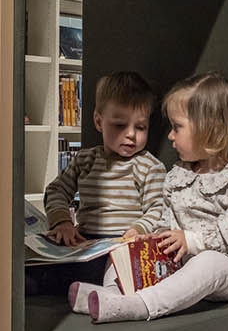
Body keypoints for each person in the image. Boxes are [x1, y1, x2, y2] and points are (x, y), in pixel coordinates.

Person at [73, 71, 228, 323]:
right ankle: (112, 294)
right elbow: (166, 218)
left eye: (177, 127)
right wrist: (153, 237)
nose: (170, 136)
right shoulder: (178, 176)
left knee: (208, 263)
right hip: (178, 265)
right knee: (125, 248)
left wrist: (191, 240)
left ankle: (141, 305)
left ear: (210, 129)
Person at [43, 70, 166, 246]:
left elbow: (159, 208)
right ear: (99, 122)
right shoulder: (84, 160)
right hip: (84, 241)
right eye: (120, 125)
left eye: (140, 127)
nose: (131, 134)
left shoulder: (149, 166)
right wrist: (62, 222)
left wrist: (139, 230)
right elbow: (56, 191)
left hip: (126, 244)